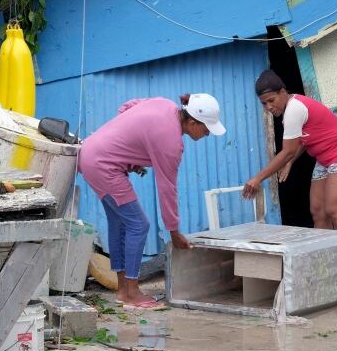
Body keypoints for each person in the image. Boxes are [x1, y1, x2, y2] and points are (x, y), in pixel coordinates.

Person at [78, 93, 226, 309]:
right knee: (139, 224)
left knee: (119, 223)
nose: (207, 134)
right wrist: (174, 232)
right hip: (104, 166)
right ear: (193, 122)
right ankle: (132, 292)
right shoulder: (171, 143)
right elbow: (167, 189)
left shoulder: (164, 104)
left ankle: (123, 291)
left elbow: (126, 108)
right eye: (206, 129)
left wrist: (130, 151)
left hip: (89, 153)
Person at [242, 70, 337, 231]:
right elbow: (302, 140)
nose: (269, 107)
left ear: (283, 91)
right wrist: (290, 161)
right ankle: (325, 254)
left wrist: (258, 178)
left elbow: (288, 151)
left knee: (334, 210)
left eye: (271, 100)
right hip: (326, 159)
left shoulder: (294, 109)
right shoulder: (290, 108)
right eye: (264, 104)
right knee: (318, 212)